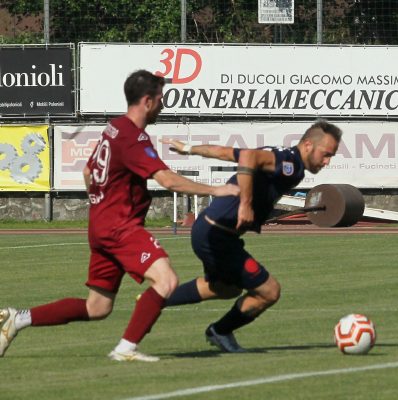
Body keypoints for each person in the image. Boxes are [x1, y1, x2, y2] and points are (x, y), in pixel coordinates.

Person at [0, 70, 239, 361]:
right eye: (161, 98)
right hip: (119, 227)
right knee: (167, 281)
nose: (163, 104)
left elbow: (88, 172)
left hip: (100, 225)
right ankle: (126, 348)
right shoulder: (133, 138)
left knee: (97, 307)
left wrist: (101, 204)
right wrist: (216, 191)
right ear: (148, 101)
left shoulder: (113, 128)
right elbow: (167, 180)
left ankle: (19, 318)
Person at [160, 120, 342, 352]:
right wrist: (245, 204)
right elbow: (246, 158)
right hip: (217, 235)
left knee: (226, 289)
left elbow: (227, 153)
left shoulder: (284, 158)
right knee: (269, 291)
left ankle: (156, 299)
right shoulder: (289, 162)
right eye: (326, 154)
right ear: (308, 145)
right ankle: (220, 331)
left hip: (213, 231)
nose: (327, 162)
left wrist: (188, 149)